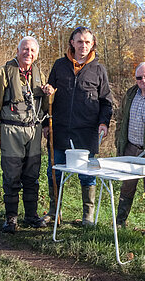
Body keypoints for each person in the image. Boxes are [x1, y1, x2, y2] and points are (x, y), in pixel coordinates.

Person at [42, 27, 113, 226]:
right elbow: (49, 97)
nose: (83, 46)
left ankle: (87, 216)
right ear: (72, 42)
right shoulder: (59, 65)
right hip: (60, 130)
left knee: (87, 175)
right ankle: (55, 212)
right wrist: (45, 123)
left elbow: (107, 101)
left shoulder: (99, 70)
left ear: (92, 45)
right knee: (54, 172)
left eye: (87, 42)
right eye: (79, 41)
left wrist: (103, 123)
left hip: (86, 133)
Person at [0, 36, 51, 233]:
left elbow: (46, 106)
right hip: (10, 130)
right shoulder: (3, 72)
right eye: (25, 49)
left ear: (37, 54)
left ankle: (31, 216)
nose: (28, 53)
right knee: (12, 176)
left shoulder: (40, 74)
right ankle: (11, 219)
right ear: (17, 50)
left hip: (34, 131)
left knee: (32, 175)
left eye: (32, 50)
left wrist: (50, 94)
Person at [114, 62, 145, 236]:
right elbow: (120, 119)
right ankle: (120, 222)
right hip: (130, 148)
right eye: (139, 78)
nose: (143, 81)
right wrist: (119, 141)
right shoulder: (130, 93)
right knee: (127, 186)